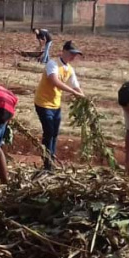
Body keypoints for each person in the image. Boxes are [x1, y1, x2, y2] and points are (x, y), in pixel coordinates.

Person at [34, 40, 85, 171]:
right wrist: (73, 92)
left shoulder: (69, 69)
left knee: (55, 134)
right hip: (43, 103)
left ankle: (50, 160)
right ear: (64, 51)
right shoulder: (53, 64)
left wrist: (84, 98)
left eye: (75, 55)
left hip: (55, 105)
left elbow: (76, 86)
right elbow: (54, 80)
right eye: (71, 53)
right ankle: (47, 165)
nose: (73, 57)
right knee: (49, 132)